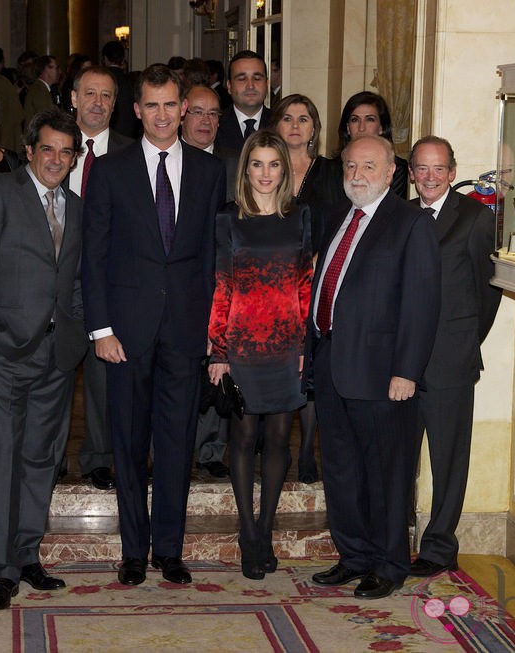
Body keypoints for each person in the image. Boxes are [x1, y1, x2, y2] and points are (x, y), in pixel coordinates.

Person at [82, 64, 225, 587]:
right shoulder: (111, 170)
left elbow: (215, 258)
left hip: (187, 332)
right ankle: (133, 552)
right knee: (128, 441)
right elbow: (92, 256)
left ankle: (169, 549)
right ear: (137, 110)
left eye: (171, 105)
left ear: (183, 108)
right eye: (152, 106)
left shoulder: (211, 173)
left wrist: (215, 326)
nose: (163, 115)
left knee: (176, 442)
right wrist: (100, 329)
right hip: (125, 332)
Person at [0, 109, 86, 610]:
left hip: (57, 354)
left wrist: (73, 330)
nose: (56, 159)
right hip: (7, 351)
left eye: (66, 151)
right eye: (48, 149)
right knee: (7, 458)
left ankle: (29, 554)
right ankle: (2, 569)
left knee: (43, 456)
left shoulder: (75, 207)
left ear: (75, 158)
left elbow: (73, 278)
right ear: (30, 150)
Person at [309, 135, 440, 600]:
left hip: (384, 375)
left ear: (391, 172)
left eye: (369, 165)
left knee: (386, 473)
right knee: (342, 469)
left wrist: (407, 371)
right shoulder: (336, 219)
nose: (357, 174)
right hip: (331, 366)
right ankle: (354, 556)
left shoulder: (410, 223)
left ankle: (388, 564)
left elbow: (421, 305)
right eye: (349, 166)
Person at [208, 130, 312, 579]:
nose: (266, 173)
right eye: (257, 164)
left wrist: (308, 343)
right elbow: (221, 288)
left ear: (284, 170)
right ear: (245, 169)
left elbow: (306, 285)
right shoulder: (227, 220)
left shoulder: (301, 217)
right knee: (243, 439)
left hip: (288, 347)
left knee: (277, 441)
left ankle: (266, 530)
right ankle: (247, 532)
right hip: (243, 346)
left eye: (274, 164)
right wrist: (218, 350)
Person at [407, 136, 502, 577]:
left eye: (438, 168)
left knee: (448, 460)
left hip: (450, 361)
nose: (429, 177)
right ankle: (394, 539)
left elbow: (488, 291)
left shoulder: (476, 218)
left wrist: (464, 341)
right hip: (402, 364)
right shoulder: (401, 215)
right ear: (411, 173)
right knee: (400, 458)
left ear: (452, 171)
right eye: (421, 169)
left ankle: (440, 547)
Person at [269, 94, 346, 483]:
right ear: (276, 125)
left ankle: (307, 450)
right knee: (281, 362)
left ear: (314, 127)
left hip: (319, 281)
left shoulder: (332, 172)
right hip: (274, 285)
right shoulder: (267, 167)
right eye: (287, 118)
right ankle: (275, 443)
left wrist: (321, 257)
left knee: (310, 362)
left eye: (304, 118)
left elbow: (346, 218)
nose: (295, 125)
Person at [63, 65, 133, 491]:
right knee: (52, 376)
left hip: (109, 282)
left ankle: (101, 458)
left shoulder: (130, 152)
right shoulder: (51, 147)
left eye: (107, 96)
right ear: (73, 98)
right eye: (90, 94)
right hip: (56, 280)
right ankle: (49, 459)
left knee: (105, 378)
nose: (98, 103)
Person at [179, 83, 237, 478]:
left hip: (221, 280)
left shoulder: (233, 164)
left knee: (218, 365)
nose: (205, 121)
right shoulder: (165, 160)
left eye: (213, 114)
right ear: (182, 113)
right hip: (176, 285)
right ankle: (174, 447)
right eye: (198, 112)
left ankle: (212, 450)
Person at [336, 91, 408, 199]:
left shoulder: (397, 170)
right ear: (347, 128)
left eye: (369, 119)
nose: (361, 128)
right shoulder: (331, 169)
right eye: (355, 120)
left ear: (381, 127)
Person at [216, 50, 271, 153]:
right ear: (229, 86)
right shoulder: (215, 125)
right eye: (242, 79)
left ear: (267, 84)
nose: (250, 85)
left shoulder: (280, 124)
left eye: (257, 78)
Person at [100, 40, 138, 139]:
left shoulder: (100, 82)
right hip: (129, 137)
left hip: (106, 138)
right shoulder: (132, 83)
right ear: (122, 59)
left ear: (105, 58)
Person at [24, 55, 61, 122]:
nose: (60, 72)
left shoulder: (43, 89)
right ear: (46, 69)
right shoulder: (39, 91)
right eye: (57, 68)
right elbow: (47, 121)